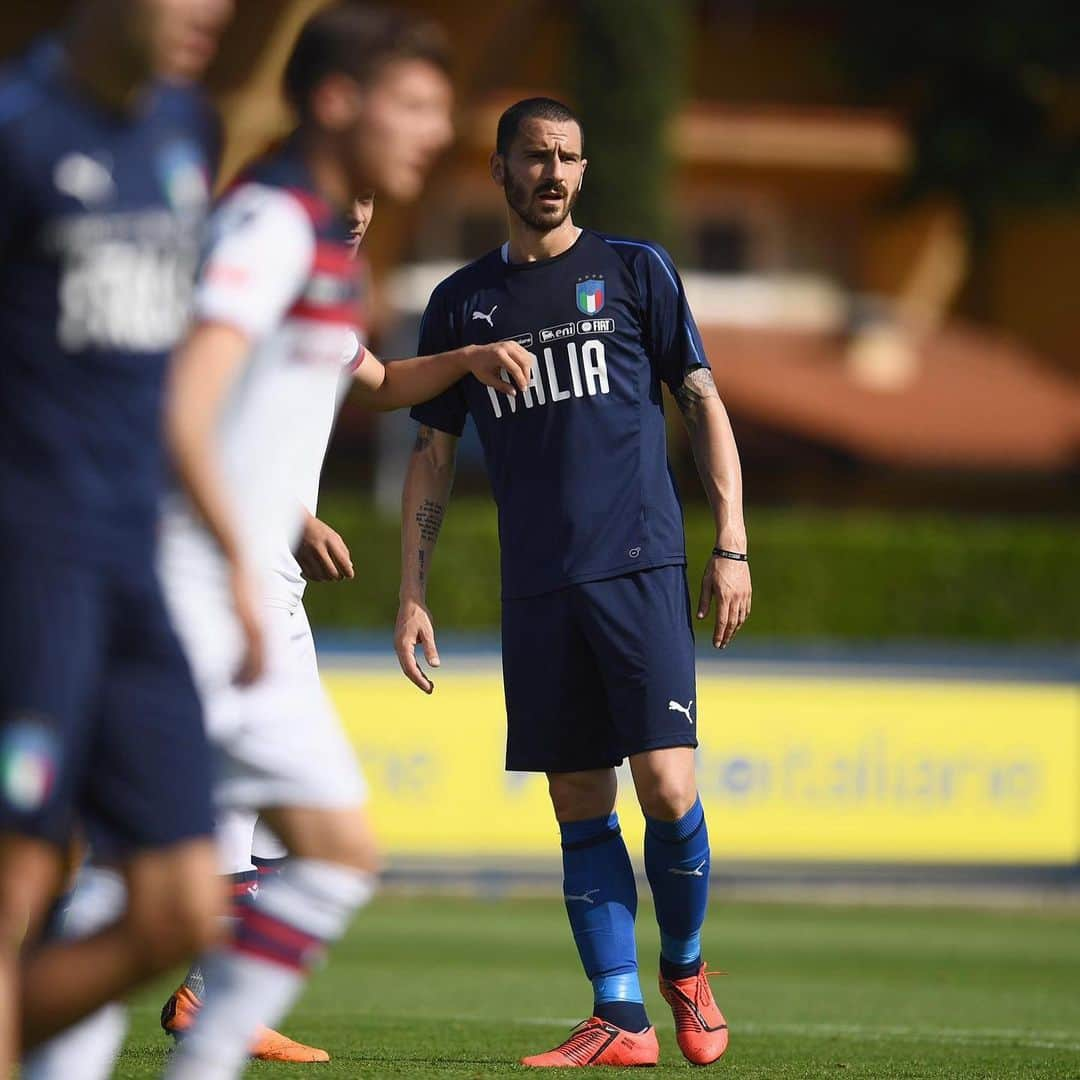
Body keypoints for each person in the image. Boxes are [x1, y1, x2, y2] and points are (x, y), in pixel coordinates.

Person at [152, 8, 532, 1079]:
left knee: (292, 849)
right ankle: (186, 1008)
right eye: (413, 109)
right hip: (216, 586)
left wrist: (462, 359)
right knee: (291, 848)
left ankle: (199, 1010)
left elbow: (365, 389)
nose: (430, 133)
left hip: (259, 578)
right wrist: (235, 548)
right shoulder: (271, 231)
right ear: (338, 113)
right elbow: (185, 402)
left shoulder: (321, 271)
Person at [396, 97, 752, 1068]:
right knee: (578, 803)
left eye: (567, 158)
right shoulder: (461, 303)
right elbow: (431, 456)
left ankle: (684, 966)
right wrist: (412, 592)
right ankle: (621, 1017)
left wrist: (732, 541)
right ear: (502, 169)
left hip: (639, 566)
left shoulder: (637, 271)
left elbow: (703, 400)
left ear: (584, 171)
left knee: (669, 789)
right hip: (540, 587)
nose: (552, 172)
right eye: (534, 157)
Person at [0, 0, 235, 1075]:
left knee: (181, 907)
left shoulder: (188, 129)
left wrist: (231, 551)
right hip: (27, 564)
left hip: (132, 565)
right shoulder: (18, 130)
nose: (214, 13)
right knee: (18, 888)